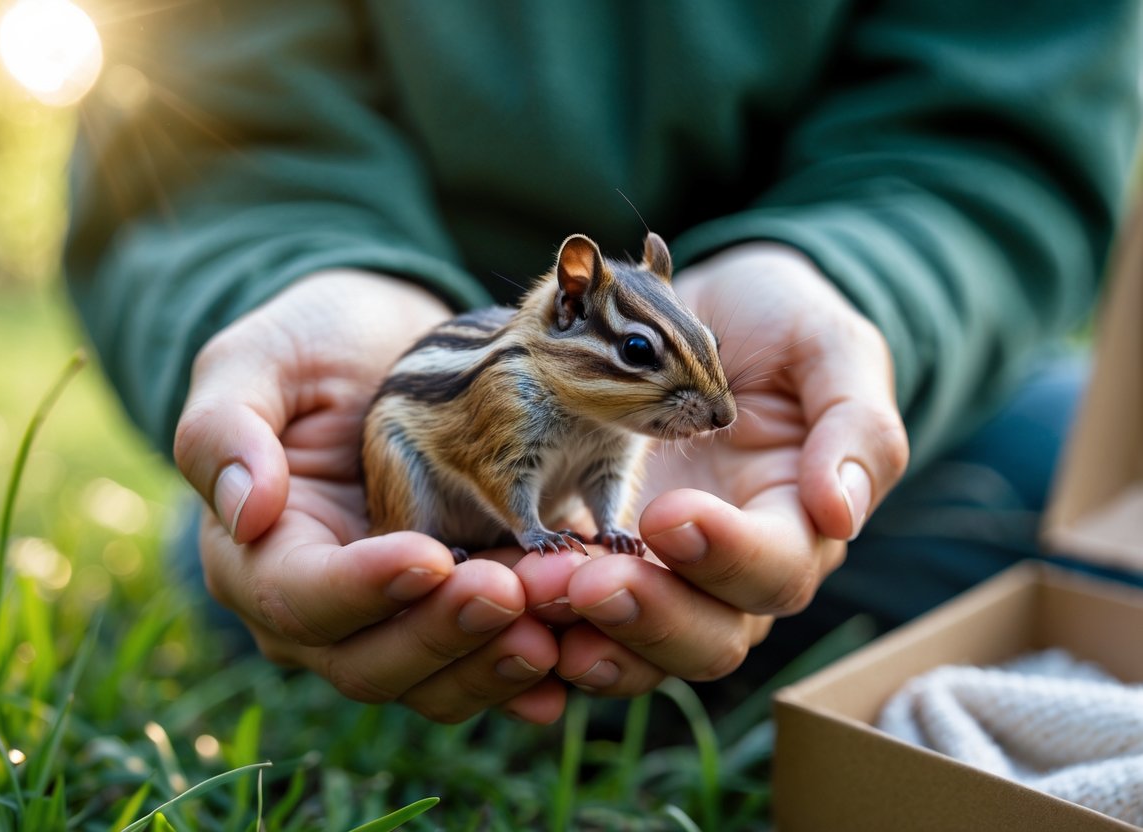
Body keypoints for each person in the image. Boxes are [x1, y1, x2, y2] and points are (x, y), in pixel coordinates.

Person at [64, 1, 1142, 724]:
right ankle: (401, 592)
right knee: (364, 543)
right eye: (642, 358)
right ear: (570, 305)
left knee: (1083, 494)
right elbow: (201, 108)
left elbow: (1000, 131)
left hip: (892, 406)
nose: (703, 409)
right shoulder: (517, 381)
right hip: (392, 450)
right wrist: (291, 277)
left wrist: (853, 284)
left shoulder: (651, 392)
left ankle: (645, 643)